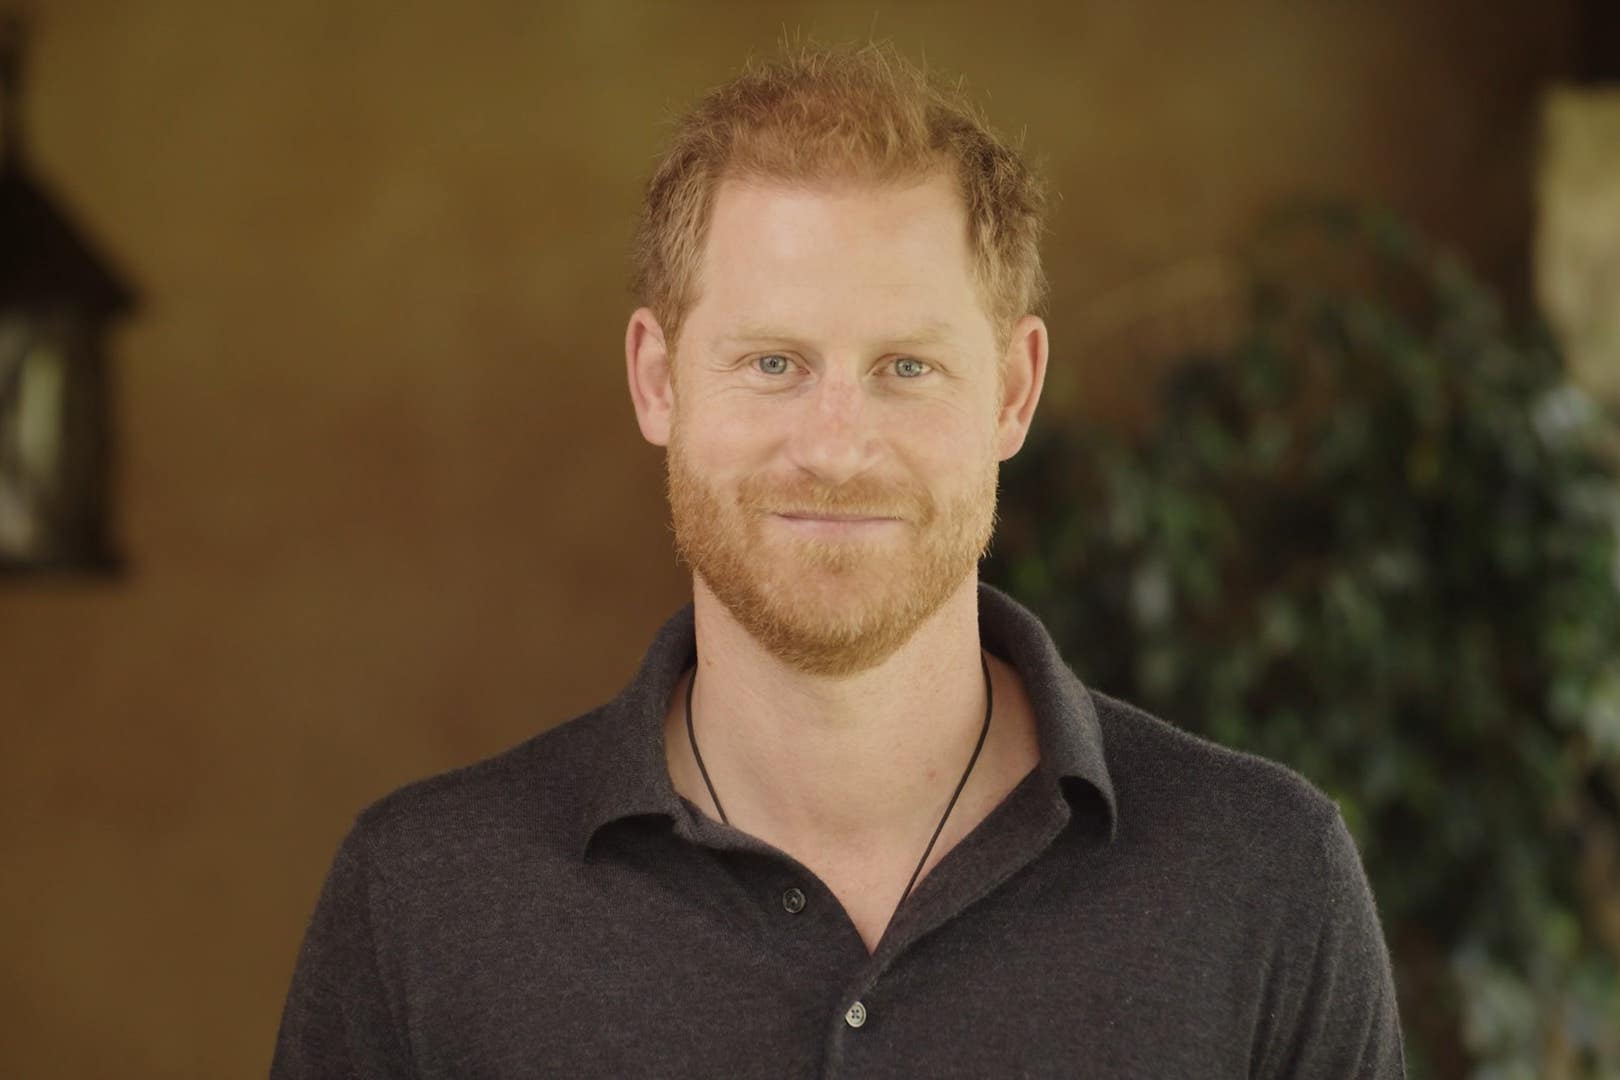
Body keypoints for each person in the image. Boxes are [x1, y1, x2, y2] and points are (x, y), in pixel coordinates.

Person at [273, 42, 1404, 1078]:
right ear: (657, 380)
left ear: (1014, 390)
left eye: (906, 367)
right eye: (773, 363)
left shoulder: (1267, 880)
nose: (836, 447)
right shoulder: (421, 901)